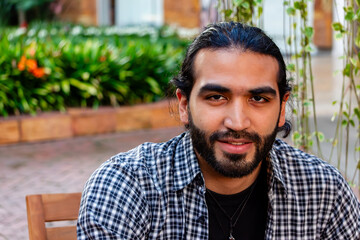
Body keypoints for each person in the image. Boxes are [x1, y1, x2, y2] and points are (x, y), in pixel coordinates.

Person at [77, 22, 360, 239]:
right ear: (185, 105)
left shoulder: (323, 191)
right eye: (216, 97)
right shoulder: (129, 186)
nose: (237, 122)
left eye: (258, 99)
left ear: (282, 109)